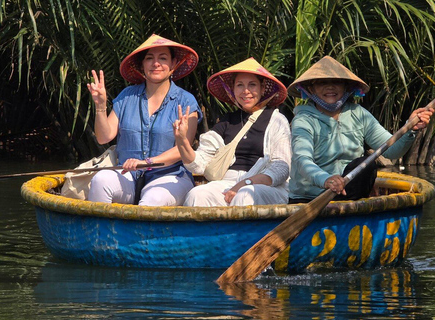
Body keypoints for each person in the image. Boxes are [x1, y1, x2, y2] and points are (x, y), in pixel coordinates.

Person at [287, 55, 434, 203]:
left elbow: (392, 149)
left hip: (348, 194)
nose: (330, 87)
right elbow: (302, 159)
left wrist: (411, 128)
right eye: (322, 82)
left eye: (336, 82)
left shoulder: (359, 114)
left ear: (346, 87)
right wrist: (326, 180)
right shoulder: (303, 120)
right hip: (310, 198)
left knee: (366, 164)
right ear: (311, 89)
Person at [86, 34, 202, 206]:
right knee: (101, 180)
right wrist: (100, 106)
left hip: (170, 177)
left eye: (163, 58)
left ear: (173, 64)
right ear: (142, 66)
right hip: (128, 176)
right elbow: (104, 137)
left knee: (152, 199)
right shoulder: (127, 96)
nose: (156, 63)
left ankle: (138, 234)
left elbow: (182, 150)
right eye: (149, 59)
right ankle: (100, 233)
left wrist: (146, 163)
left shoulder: (186, 101)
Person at [173, 57, 291, 206]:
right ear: (233, 90)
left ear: (262, 88)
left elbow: (281, 168)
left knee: (244, 196)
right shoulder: (226, 121)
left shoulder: (277, 120)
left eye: (252, 85)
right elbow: (199, 164)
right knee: (197, 194)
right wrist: (182, 140)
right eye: (239, 85)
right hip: (227, 183)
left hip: (264, 186)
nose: (246, 91)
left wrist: (245, 184)